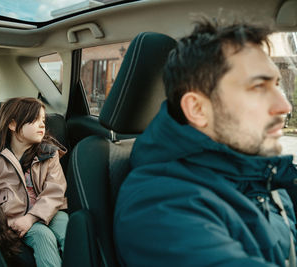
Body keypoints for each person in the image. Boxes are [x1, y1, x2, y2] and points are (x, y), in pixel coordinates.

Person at [114, 18, 297, 267]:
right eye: (258, 87)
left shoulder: (264, 177)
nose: (284, 107)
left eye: (276, 85)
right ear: (198, 109)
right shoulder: (160, 207)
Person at [0, 97, 68, 267]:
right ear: (13, 125)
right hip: (13, 219)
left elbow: (55, 192)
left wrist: (32, 217)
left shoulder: (49, 155)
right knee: (42, 235)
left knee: (68, 229)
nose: (42, 125)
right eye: (35, 120)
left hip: (48, 212)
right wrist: (1, 223)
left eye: (43, 120)